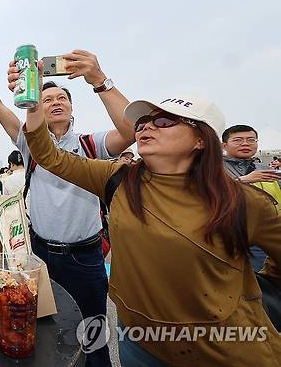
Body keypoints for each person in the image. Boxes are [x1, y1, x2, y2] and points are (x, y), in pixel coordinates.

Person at [22, 92, 281, 365]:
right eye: (144, 121)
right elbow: (48, 156)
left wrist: (251, 295)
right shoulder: (118, 178)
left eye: (165, 122)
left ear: (201, 139)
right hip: (138, 340)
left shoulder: (243, 202)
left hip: (219, 347)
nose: (147, 126)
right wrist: (32, 98)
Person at [0, 44, 133, 366]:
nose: (56, 102)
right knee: (44, 332)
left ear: (72, 108)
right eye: (47, 99)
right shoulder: (29, 143)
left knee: (94, 338)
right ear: (36, 106)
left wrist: (99, 79)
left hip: (85, 257)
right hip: (39, 255)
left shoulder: (92, 144)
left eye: (62, 98)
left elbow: (131, 131)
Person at [222, 124, 281, 271]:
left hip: (268, 236)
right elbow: (204, 197)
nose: (245, 144)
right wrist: (243, 180)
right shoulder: (214, 168)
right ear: (224, 145)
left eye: (251, 140)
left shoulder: (265, 169)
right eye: (238, 140)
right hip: (232, 238)